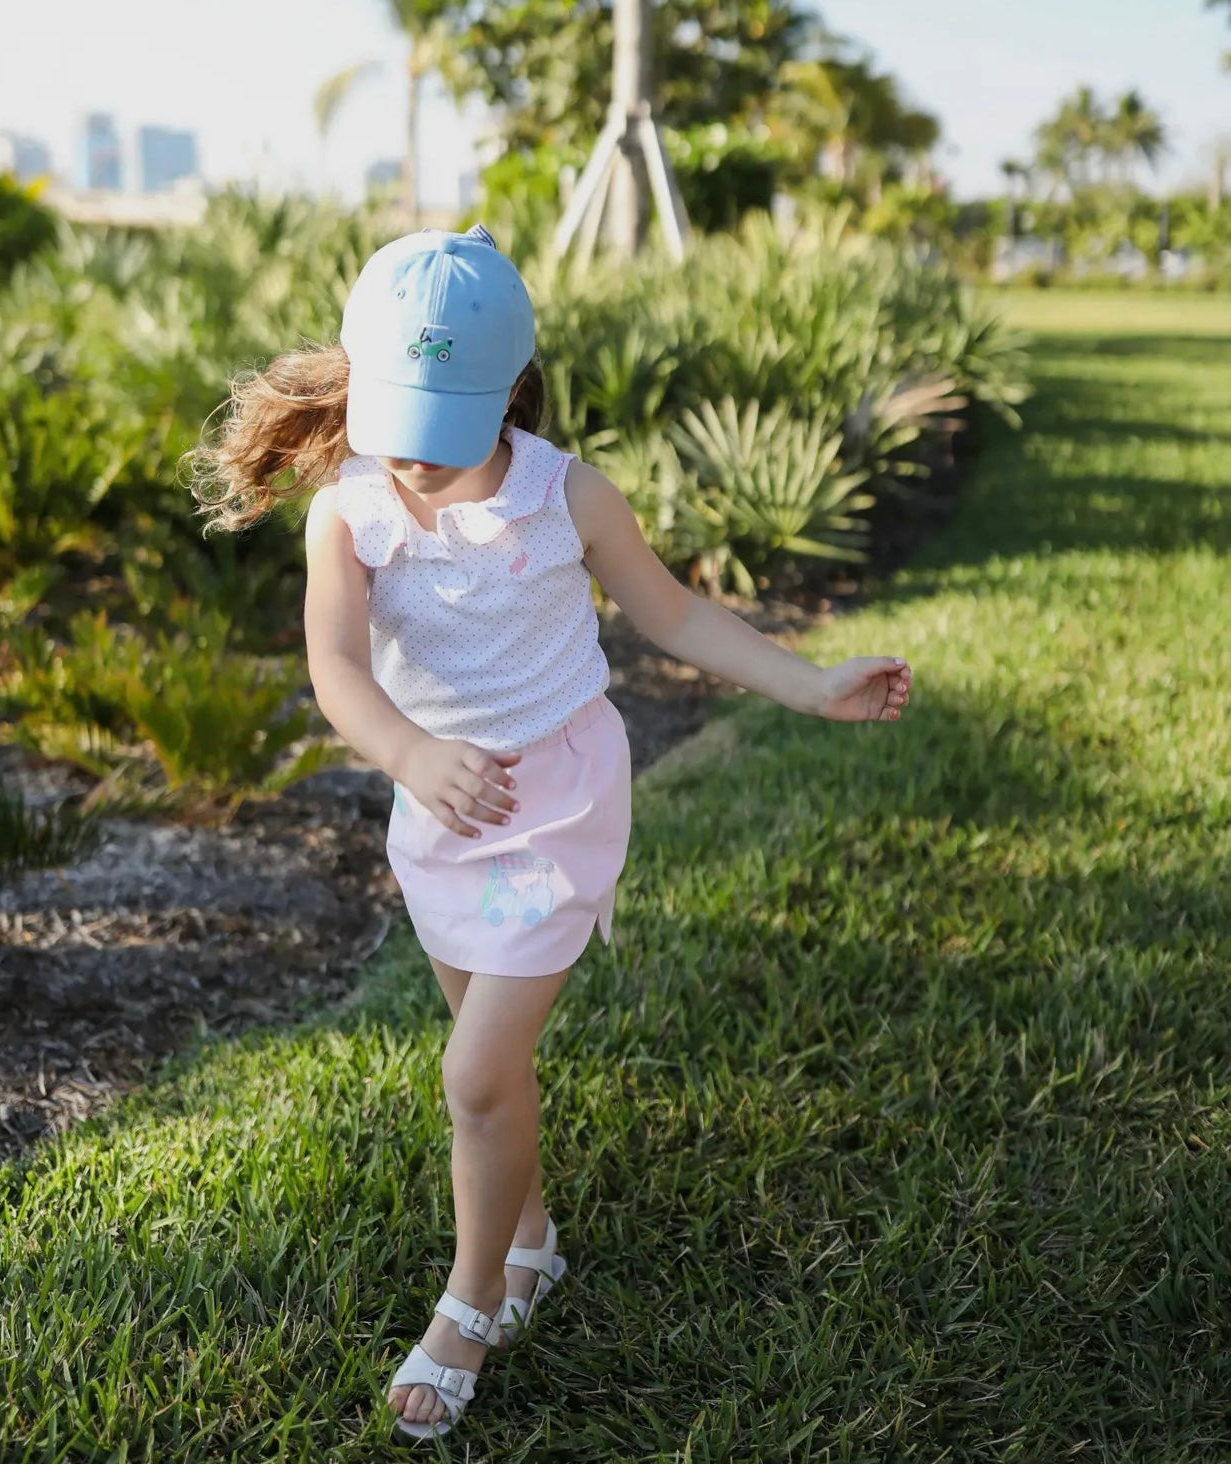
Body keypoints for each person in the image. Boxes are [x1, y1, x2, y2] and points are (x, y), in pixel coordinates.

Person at [189, 225, 913, 1442]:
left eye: (445, 419)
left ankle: (469, 1308)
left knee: (471, 1073)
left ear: (509, 389)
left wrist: (808, 682)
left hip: (559, 813)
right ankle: (527, 1234)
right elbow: (335, 671)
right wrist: (412, 755)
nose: (415, 451)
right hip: (440, 812)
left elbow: (674, 614)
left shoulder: (565, 493)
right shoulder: (351, 512)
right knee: (492, 1062)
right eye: (397, 413)